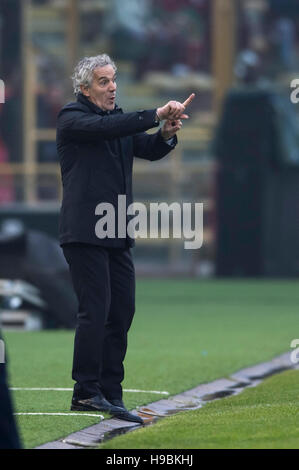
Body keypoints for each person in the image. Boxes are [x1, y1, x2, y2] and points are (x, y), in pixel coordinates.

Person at [56, 54, 194, 424]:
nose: (112, 86)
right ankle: (86, 391)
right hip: (85, 231)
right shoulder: (71, 118)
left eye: (113, 79)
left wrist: (166, 134)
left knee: (121, 311)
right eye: (103, 81)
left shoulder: (116, 121)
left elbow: (146, 149)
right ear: (84, 88)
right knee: (95, 310)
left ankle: (110, 394)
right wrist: (156, 113)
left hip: (116, 230)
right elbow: (107, 130)